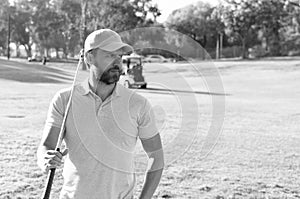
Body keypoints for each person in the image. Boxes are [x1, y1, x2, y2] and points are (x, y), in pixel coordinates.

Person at [37, 29, 164, 199]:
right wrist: (45, 159)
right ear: (89, 58)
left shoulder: (138, 104)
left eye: (120, 57)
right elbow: (46, 146)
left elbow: (156, 156)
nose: (118, 63)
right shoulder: (64, 99)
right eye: (110, 55)